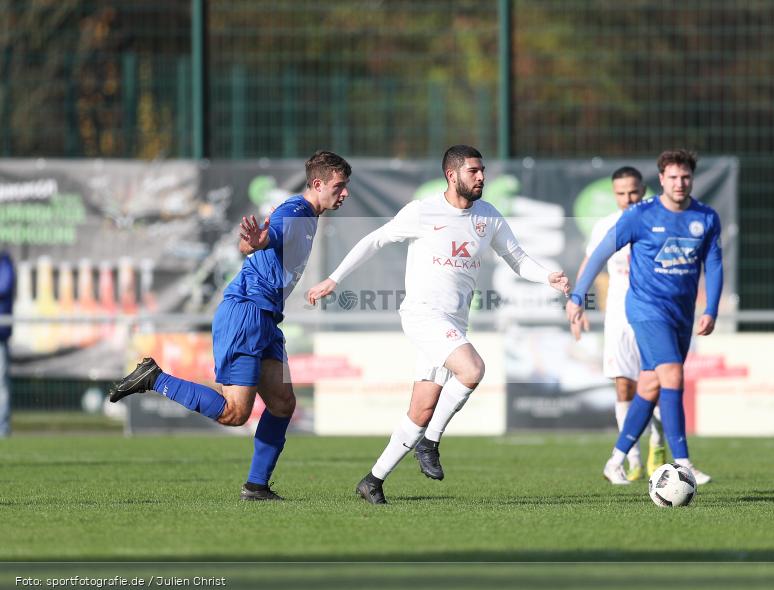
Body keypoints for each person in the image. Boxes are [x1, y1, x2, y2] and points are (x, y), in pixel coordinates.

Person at [307, 145, 570, 504]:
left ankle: (373, 480)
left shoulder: (489, 216)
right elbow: (375, 239)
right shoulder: (423, 211)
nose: (481, 177)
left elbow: (517, 259)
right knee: (472, 369)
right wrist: (333, 279)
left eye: (482, 170)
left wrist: (547, 277)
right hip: (423, 315)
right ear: (452, 175)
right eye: (473, 171)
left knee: (421, 410)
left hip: (454, 323)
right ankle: (430, 442)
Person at [108, 150, 352, 500]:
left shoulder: (307, 215)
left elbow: (248, 244)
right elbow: (264, 238)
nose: (344, 193)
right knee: (234, 413)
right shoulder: (295, 211)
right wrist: (259, 241)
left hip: (266, 318)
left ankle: (256, 486)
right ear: (318, 184)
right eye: (339, 186)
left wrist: (254, 242)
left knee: (283, 404)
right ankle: (153, 378)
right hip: (246, 314)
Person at [567, 149, 722, 486]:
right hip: (645, 309)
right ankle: (683, 463)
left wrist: (710, 309)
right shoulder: (640, 216)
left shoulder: (706, 217)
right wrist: (577, 296)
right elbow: (599, 254)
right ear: (662, 179)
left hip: (681, 312)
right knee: (672, 374)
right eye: (673, 177)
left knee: (650, 383)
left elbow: (713, 264)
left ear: (692, 179)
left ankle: (616, 460)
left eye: (685, 177)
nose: (680, 183)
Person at [574, 167, 665, 481]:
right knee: (624, 384)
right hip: (618, 314)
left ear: (644, 191)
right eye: (621, 194)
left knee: (657, 383)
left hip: (654, 312)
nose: (628, 199)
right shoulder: (606, 225)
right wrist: (577, 301)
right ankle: (633, 458)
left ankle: (658, 443)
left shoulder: (660, 222)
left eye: (634, 192)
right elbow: (591, 262)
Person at [0, 249, 14, 438]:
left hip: (0, 333)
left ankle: (2, 428)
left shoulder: (4, 262)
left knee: (0, 385)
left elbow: (3, 287)